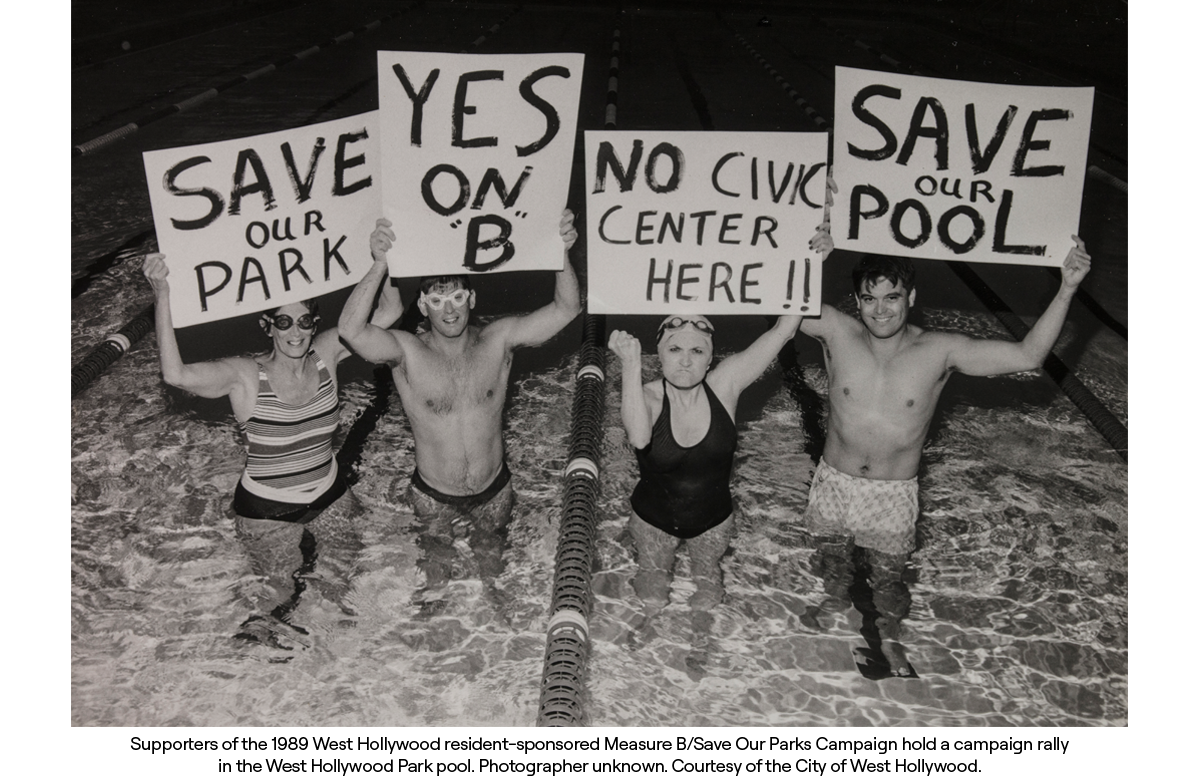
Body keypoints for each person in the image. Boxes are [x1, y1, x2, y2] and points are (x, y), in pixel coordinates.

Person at [796, 236, 1092, 676]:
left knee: (890, 579)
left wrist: (1067, 288)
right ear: (856, 301)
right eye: (870, 299)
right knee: (831, 557)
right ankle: (834, 596)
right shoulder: (836, 330)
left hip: (892, 496)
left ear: (911, 298)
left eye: (892, 297)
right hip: (833, 483)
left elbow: (1028, 355)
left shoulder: (940, 350)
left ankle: (891, 636)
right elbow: (776, 296)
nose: (881, 310)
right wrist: (807, 256)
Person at [141, 219, 402, 648]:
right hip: (267, 512)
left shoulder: (327, 351)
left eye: (304, 320)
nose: (296, 332)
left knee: (347, 587)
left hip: (331, 492)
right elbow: (175, 374)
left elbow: (389, 312)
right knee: (279, 598)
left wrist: (382, 262)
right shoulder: (245, 376)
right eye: (284, 322)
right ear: (268, 326)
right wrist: (163, 295)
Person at [337, 209, 581, 611]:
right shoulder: (407, 352)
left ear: (472, 298)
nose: (448, 310)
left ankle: (494, 601)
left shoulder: (498, 341)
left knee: (493, 564)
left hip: (494, 490)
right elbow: (350, 330)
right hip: (433, 495)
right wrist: (380, 264)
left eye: (456, 297)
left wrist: (563, 252)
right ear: (423, 304)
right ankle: (434, 615)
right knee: (436, 574)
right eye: (436, 299)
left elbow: (566, 309)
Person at [608, 228, 836, 612]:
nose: (685, 360)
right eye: (675, 349)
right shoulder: (645, 394)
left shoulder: (725, 385)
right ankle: (647, 635)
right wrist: (630, 364)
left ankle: (700, 643)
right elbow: (639, 436)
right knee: (651, 592)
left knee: (708, 587)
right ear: (658, 354)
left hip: (714, 524)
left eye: (697, 351)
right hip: (652, 523)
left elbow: (783, 330)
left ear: (710, 357)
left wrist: (815, 261)